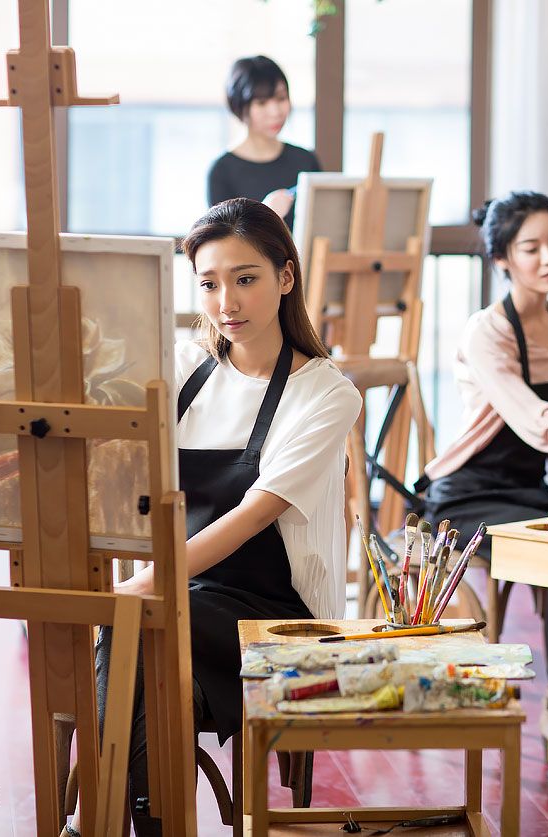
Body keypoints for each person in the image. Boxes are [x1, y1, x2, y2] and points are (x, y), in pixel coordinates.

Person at [62, 198, 361, 836]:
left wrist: (142, 587)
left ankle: (91, 825)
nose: (226, 300)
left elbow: (255, 516)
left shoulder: (327, 393)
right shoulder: (184, 373)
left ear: (286, 276)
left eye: (245, 278)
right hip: (187, 604)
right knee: (149, 681)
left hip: (281, 623)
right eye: (209, 282)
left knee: (133, 621)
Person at [417, 191, 548, 741]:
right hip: (466, 498)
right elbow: (543, 425)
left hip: (527, 491)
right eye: (531, 248)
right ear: (503, 259)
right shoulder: (487, 331)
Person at [207, 56, 320, 230]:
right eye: (261, 102)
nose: (275, 112)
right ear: (239, 106)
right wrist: (267, 214)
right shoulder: (222, 171)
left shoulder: (305, 160)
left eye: (281, 98)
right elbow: (224, 248)